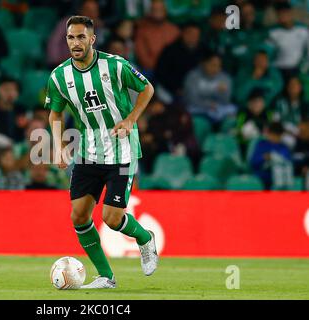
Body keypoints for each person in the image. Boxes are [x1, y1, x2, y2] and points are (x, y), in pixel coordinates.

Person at [45, 16, 157, 289]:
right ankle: (106, 276)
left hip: (122, 151)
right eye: (71, 38)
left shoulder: (115, 65)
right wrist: (59, 146)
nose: (75, 43)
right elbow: (55, 115)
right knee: (79, 216)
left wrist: (130, 119)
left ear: (92, 39)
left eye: (81, 37)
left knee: (112, 218)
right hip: (88, 153)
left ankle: (144, 238)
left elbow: (147, 89)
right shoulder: (59, 76)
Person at [155, 22, 207, 98]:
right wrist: (176, 89)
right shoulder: (170, 50)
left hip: (196, 90)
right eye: (190, 34)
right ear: (183, 34)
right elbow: (161, 73)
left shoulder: (204, 51)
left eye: (196, 35)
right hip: (171, 89)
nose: (193, 37)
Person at [183, 52, 236, 124]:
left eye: (218, 66)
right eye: (213, 65)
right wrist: (208, 104)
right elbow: (192, 99)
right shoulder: (192, 76)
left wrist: (222, 92)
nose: (216, 68)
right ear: (204, 64)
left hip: (218, 108)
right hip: (199, 109)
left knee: (232, 111)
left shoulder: (225, 78)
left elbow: (226, 101)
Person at [134, 0, 180, 76]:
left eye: (160, 9)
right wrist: (160, 69)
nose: (157, 12)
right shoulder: (142, 30)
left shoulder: (174, 30)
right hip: (151, 71)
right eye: (154, 9)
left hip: (171, 71)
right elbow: (142, 56)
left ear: (165, 10)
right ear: (150, 11)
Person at [268, 2, 309, 80]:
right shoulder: (272, 32)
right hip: (277, 69)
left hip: (297, 69)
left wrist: (303, 68)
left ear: (291, 13)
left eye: (285, 13)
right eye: (279, 14)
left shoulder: (303, 29)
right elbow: (268, 53)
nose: (282, 16)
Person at [249, 122, 293, 190]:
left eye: (277, 136)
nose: (274, 138)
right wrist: (264, 157)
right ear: (268, 134)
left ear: (281, 136)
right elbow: (253, 162)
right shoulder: (261, 145)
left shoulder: (283, 147)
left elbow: (289, 162)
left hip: (281, 177)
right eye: (272, 135)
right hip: (263, 175)